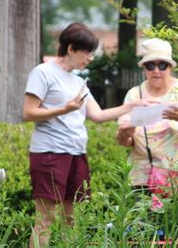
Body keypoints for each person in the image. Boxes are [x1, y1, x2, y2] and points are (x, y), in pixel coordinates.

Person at [23, 22, 148, 247]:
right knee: (46, 219)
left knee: (73, 219)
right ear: (70, 49)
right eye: (87, 52)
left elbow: (98, 115)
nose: (90, 58)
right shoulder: (43, 73)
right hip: (50, 153)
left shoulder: (79, 81)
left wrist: (133, 106)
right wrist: (65, 109)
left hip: (76, 153)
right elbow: (29, 113)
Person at [116, 38, 178, 193]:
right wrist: (125, 133)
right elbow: (125, 142)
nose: (156, 71)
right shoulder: (134, 95)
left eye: (162, 65)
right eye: (150, 65)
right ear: (144, 68)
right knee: (143, 217)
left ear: (170, 67)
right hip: (143, 178)